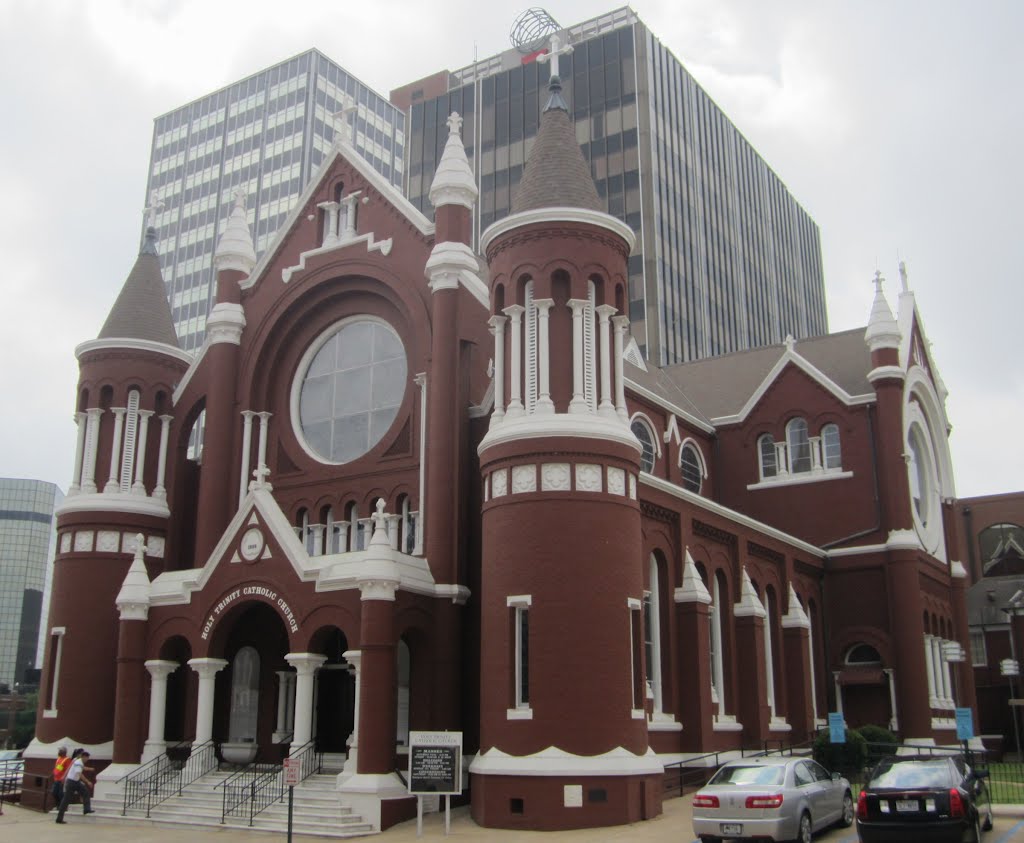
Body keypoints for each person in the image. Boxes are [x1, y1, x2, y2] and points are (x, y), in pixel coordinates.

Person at [54, 749, 95, 824]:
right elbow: (79, 774)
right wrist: (87, 781)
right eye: (87, 758)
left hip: (75, 781)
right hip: (72, 782)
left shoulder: (80, 762)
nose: (87, 760)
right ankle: (59, 818)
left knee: (85, 792)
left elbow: (83, 768)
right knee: (66, 800)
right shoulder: (78, 763)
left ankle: (86, 809)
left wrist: (89, 769)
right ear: (83, 757)